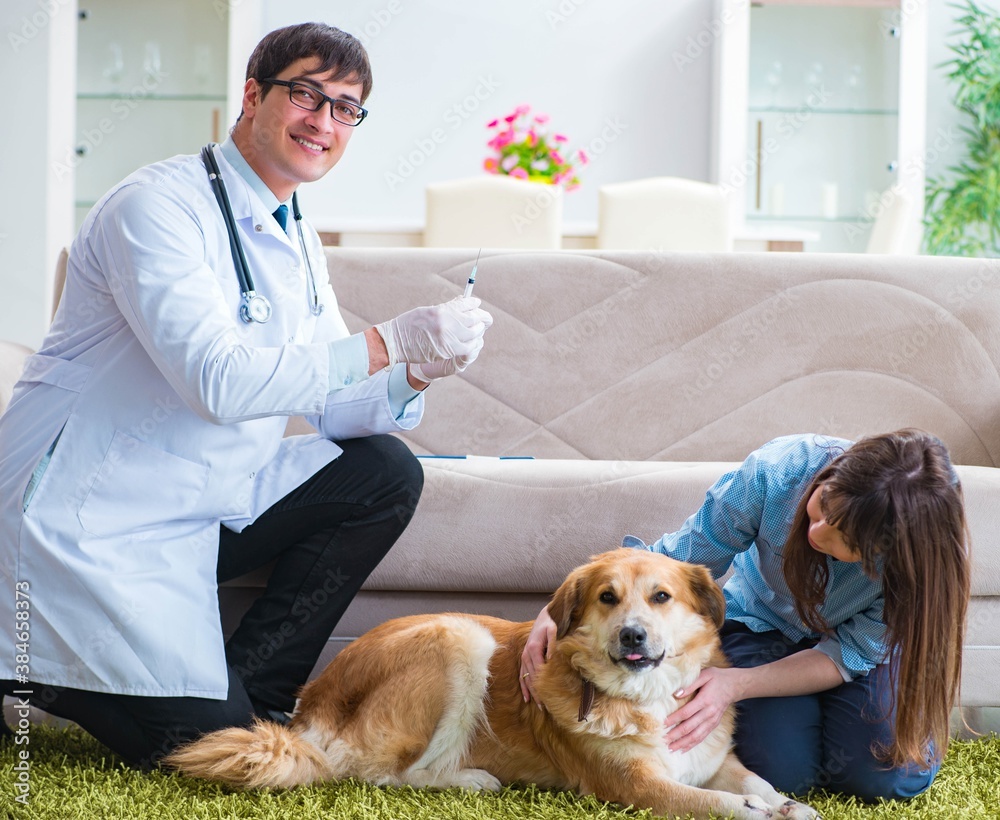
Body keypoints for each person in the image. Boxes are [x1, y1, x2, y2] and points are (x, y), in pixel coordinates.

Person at [0, 23, 491, 768]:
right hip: (84, 520)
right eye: (306, 95)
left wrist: (417, 370)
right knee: (212, 753)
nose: (323, 123)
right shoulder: (156, 208)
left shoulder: (294, 230)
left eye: (345, 109)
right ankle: (23, 668)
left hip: (190, 506)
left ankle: (259, 689)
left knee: (384, 471)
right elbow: (217, 381)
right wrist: (390, 341)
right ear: (254, 95)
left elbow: (332, 404)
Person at [520, 430, 970, 802]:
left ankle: (847, 714)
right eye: (824, 504)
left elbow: (845, 654)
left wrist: (737, 683)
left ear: (885, 553)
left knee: (883, 777)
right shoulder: (778, 472)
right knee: (781, 769)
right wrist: (555, 612)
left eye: (844, 538)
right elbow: (679, 559)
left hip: (850, 655)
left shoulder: (914, 568)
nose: (816, 532)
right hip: (761, 628)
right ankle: (811, 721)